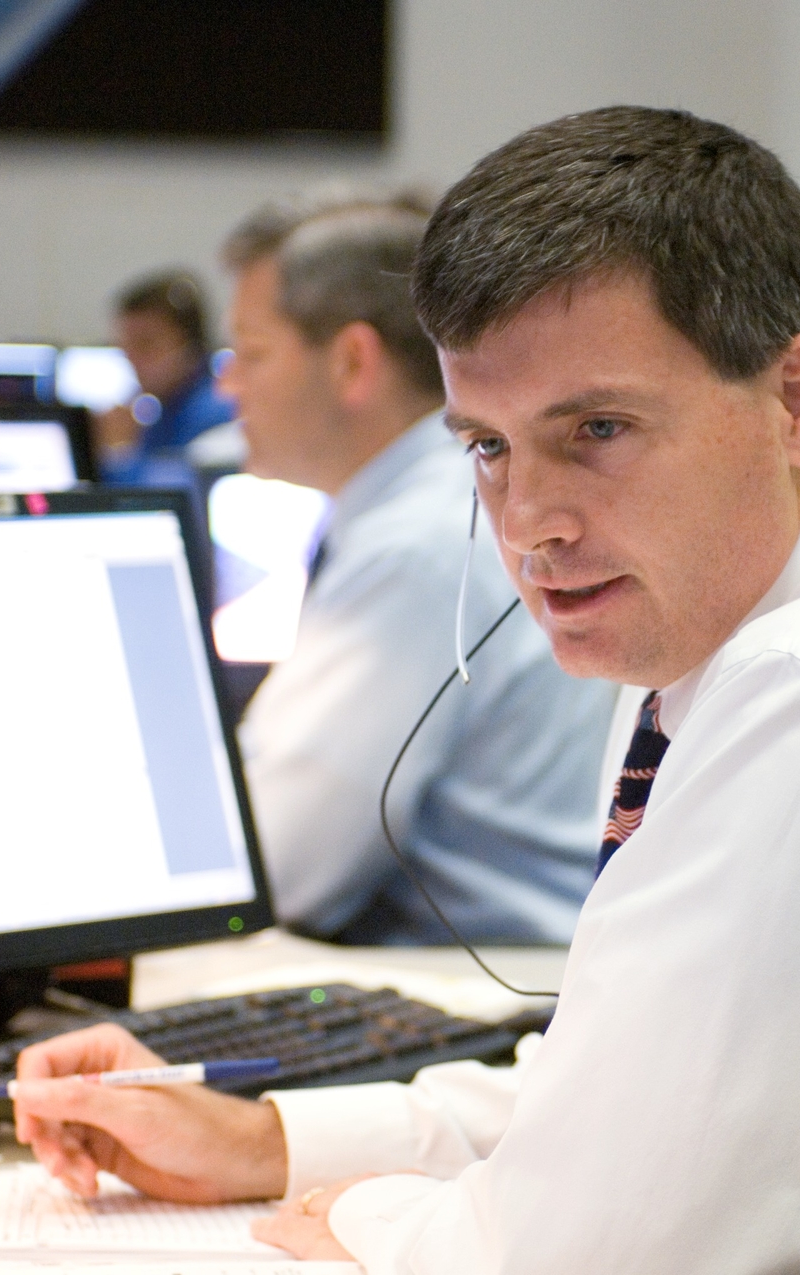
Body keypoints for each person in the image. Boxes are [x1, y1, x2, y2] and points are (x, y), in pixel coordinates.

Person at [9, 107, 800, 1273]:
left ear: (799, 400)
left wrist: (360, 1218)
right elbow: (618, 1096)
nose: (530, 526)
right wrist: (272, 1140)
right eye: (487, 448)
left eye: (597, 428)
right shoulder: (735, 625)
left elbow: (587, 1247)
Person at [215, 190, 615, 944]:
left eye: (252, 352)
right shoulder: (439, 502)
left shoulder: (416, 547)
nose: (226, 384)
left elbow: (276, 869)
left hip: (491, 984)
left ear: (352, 361)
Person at [97, 269, 237, 482]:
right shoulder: (163, 407)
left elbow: (166, 497)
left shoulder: (215, 411)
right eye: (126, 346)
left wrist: (119, 453)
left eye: (145, 344)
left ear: (189, 346)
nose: (132, 359)